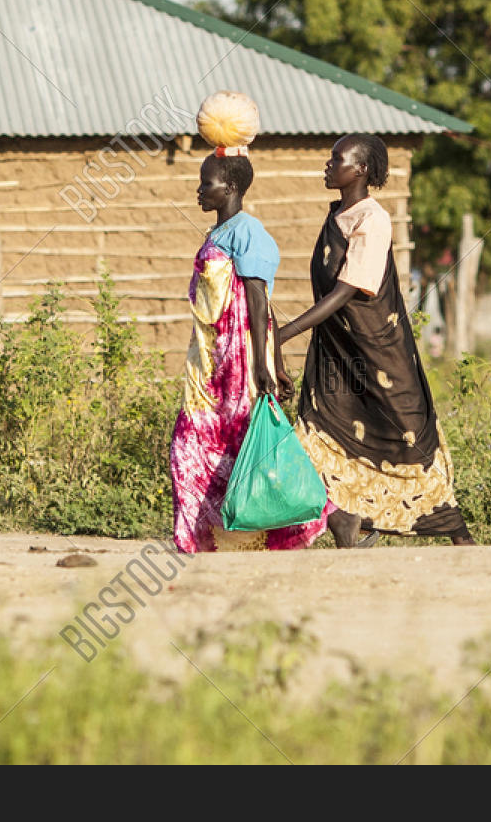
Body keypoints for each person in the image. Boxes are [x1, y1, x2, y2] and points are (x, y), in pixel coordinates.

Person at [275, 134, 475, 547]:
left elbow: (347, 290)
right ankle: (345, 516)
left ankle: (453, 528)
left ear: (361, 169)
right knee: (319, 432)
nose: (328, 165)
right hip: (338, 354)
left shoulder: (373, 220)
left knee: (406, 436)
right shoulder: (337, 217)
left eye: (337, 159)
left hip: (379, 352)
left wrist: (284, 334)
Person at [169, 150, 331, 554]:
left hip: (241, 362)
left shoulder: (248, 232)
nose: (199, 190)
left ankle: (315, 519)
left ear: (232, 187)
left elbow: (260, 302)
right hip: (213, 363)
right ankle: (214, 540)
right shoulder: (216, 235)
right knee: (198, 445)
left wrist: (265, 364)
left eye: (207, 182)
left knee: (247, 451)